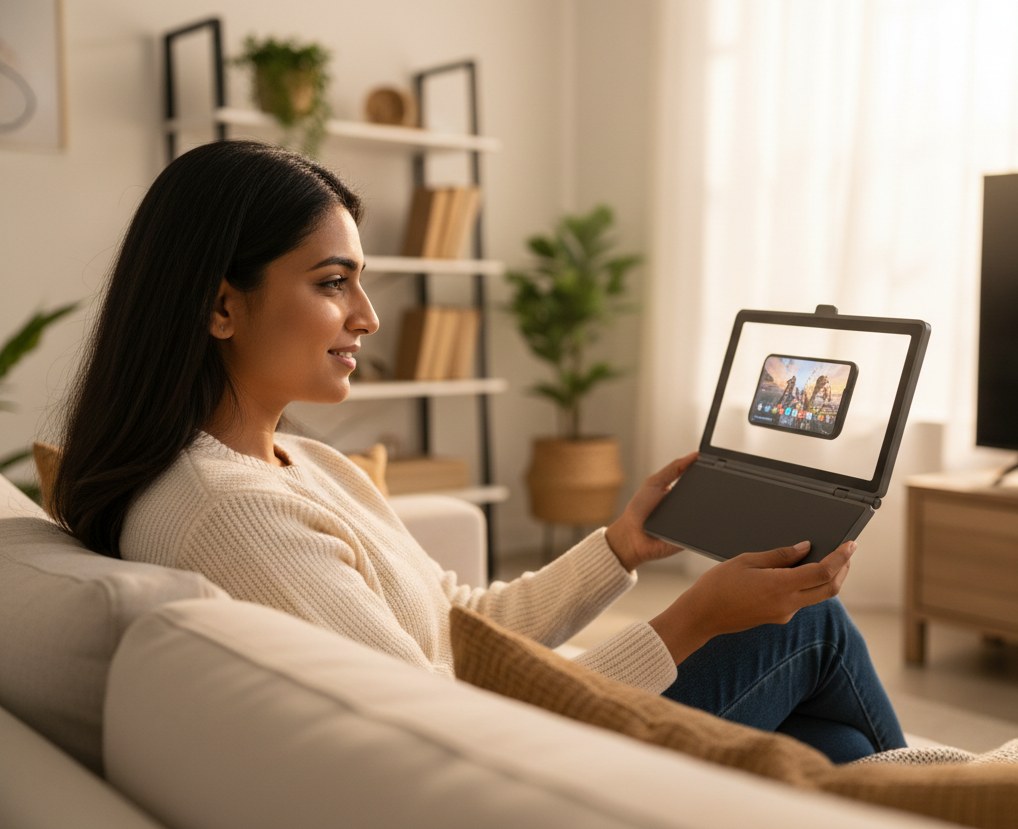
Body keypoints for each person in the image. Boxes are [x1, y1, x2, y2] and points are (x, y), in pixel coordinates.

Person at [52, 140, 905, 764]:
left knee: (829, 749)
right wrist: (694, 621)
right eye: (330, 281)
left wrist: (618, 548)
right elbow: (444, 735)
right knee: (815, 628)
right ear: (220, 307)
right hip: (509, 772)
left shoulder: (303, 466)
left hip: (497, 732)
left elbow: (461, 626)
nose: (367, 317)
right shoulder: (234, 515)